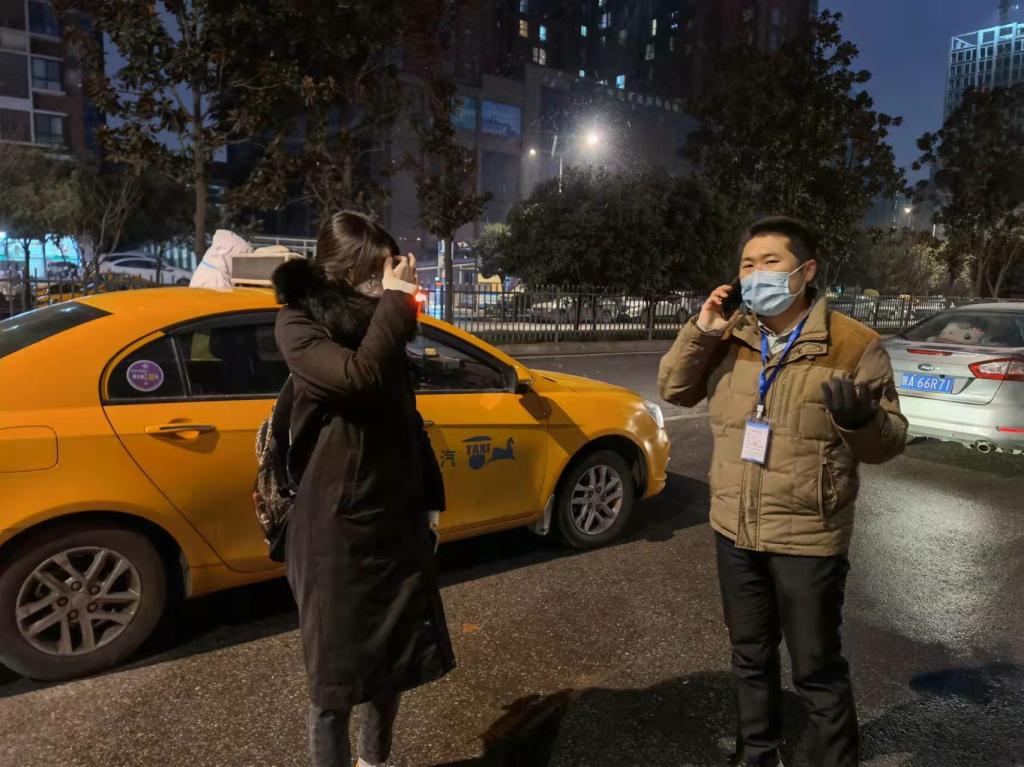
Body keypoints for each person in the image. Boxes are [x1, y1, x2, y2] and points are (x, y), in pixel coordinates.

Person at [658, 216, 907, 767]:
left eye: (771, 262)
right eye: (747, 265)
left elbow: (888, 442)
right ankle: (757, 753)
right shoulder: (731, 336)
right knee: (749, 655)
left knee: (816, 668)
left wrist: (861, 421)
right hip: (734, 528)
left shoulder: (854, 345)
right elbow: (674, 389)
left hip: (808, 534)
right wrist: (703, 329)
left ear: (805, 271)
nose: (756, 274)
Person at [272, 211, 454, 767]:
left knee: (390, 667)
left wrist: (429, 502)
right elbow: (358, 378)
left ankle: (375, 762)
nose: (385, 281)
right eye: (375, 272)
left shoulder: (383, 326)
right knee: (333, 684)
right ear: (343, 272)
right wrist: (395, 304)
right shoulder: (299, 322)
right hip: (334, 533)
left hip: (393, 522)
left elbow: (405, 420)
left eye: (388, 270)